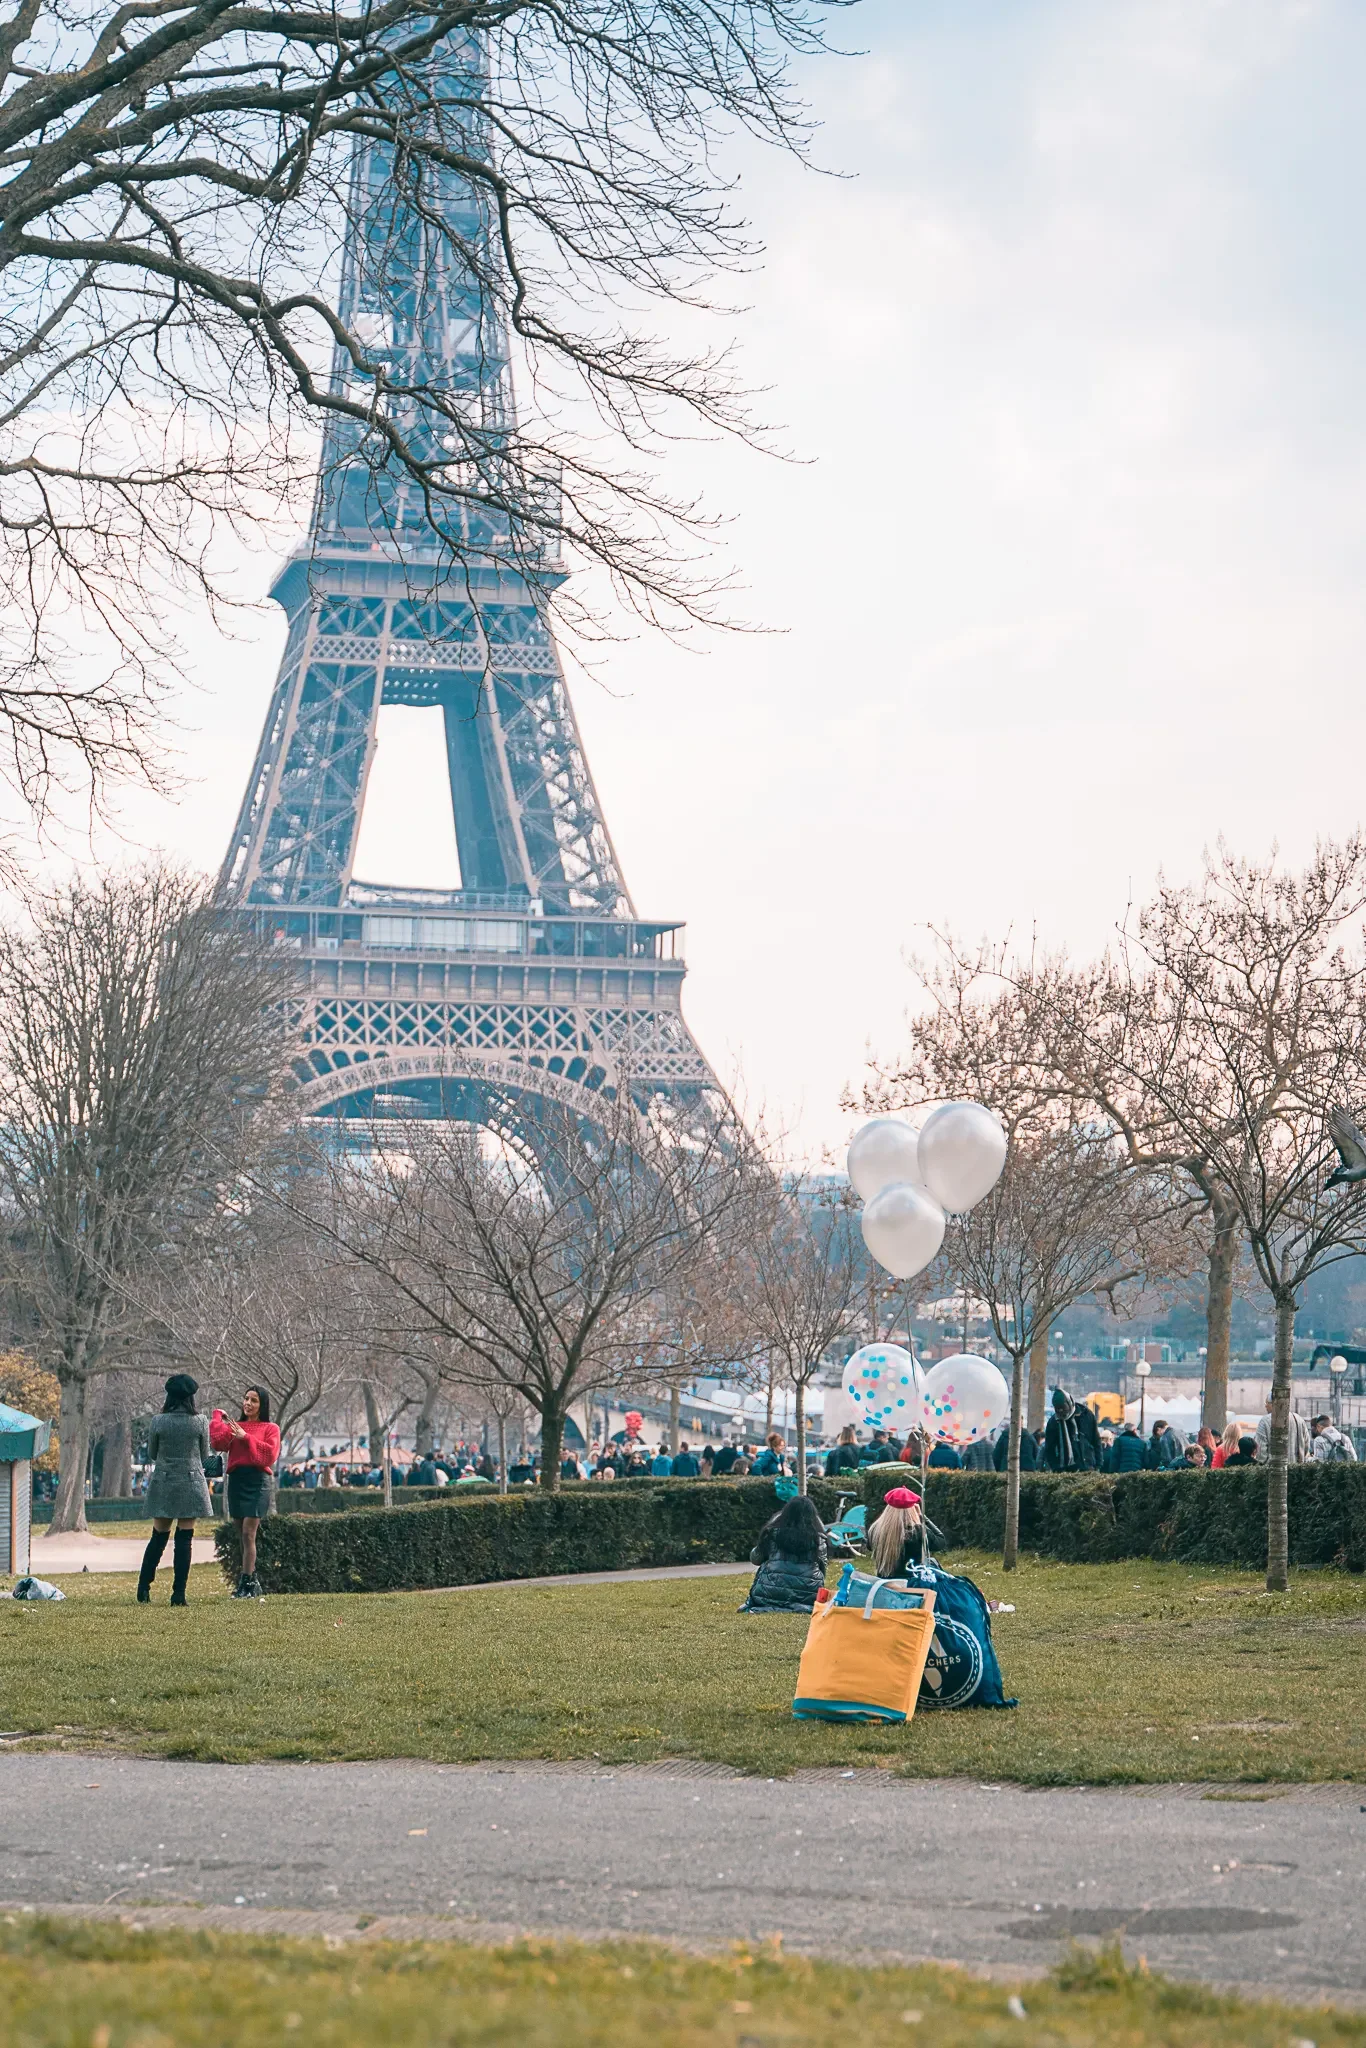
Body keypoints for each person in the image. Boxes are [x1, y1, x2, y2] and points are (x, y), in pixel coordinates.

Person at [138, 1373, 213, 1607]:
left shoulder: (158, 1421)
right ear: (191, 1397)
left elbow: (152, 1453)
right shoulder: (200, 1421)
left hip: (164, 1482)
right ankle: (178, 1594)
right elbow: (204, 1454)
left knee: (158, 1537)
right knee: (184, 1539)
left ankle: (143, 1587)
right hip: (191, 1483)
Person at [209, 1386, 281, 1601]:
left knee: (249, 1533)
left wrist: (246, 1437)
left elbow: (269, 1455)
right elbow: (217, 1442)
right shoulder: (235, 1426)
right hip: (236, 1481)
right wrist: (217, 1417)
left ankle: (247, 1583)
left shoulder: (271, 1428)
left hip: (257, 1482)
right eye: (246, 1399)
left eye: (254, 1400)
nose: (248, 1403)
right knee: (241, 1533)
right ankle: (250, 1580)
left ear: (262, 1405)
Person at [738, 1494, 828, 1613]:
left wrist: (762, 1542)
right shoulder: (818, 1540)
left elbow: (755, 1559)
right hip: (808, 1597)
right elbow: (822, 1570)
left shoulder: (772, 1534)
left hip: (768, 1594)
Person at [866, 1485, 924, 1578]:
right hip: (911, 1582)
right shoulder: (915, 1531)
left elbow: (869, 1547)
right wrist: (921, 1517)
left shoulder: (875, 1529)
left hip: (884, 1581)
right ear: (911, 1509)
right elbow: (940, 1543)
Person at [1043, 1390, 1099, 1472]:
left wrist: (1098, 1465)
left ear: (1069, 1403)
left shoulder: (1087, 1415)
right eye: (1057, 1409)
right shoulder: (1053, 1422)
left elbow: (1096, 1441)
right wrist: (1055, 1467)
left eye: (1063, 1407)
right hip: (1063, 1469)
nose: (1061, 1411)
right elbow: (1049, 1449)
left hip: (1087, 1466)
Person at [1255, 1400, 1312, 1465]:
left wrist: (1261, 1465)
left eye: (1267, 1403)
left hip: (1273, 1468)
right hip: (1297, 1467)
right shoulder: (1299, 1419)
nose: (1265, 1405)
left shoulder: (1265, 1420)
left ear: (1274, 1403)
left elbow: (1261, 1451)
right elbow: (1306, 1445)